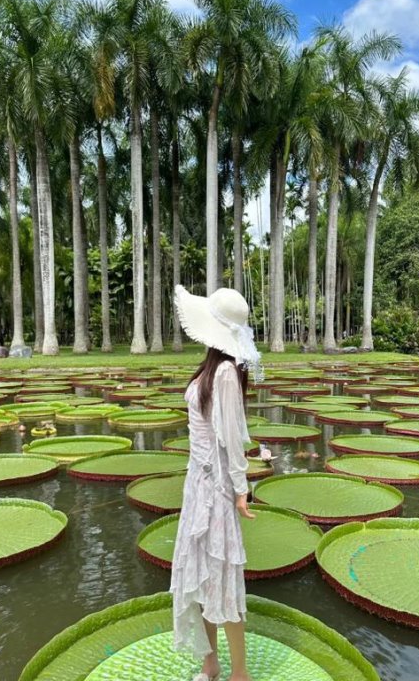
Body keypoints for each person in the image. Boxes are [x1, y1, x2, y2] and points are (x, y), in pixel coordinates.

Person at [169, 284, 263, 681]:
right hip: (197, 485)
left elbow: (232, 438)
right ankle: (211, 665)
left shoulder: (224, 372)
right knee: (203, 581)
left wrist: (241, 490)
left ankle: (239, 675)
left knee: (223, 585)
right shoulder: (212, 369)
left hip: (216, 489)